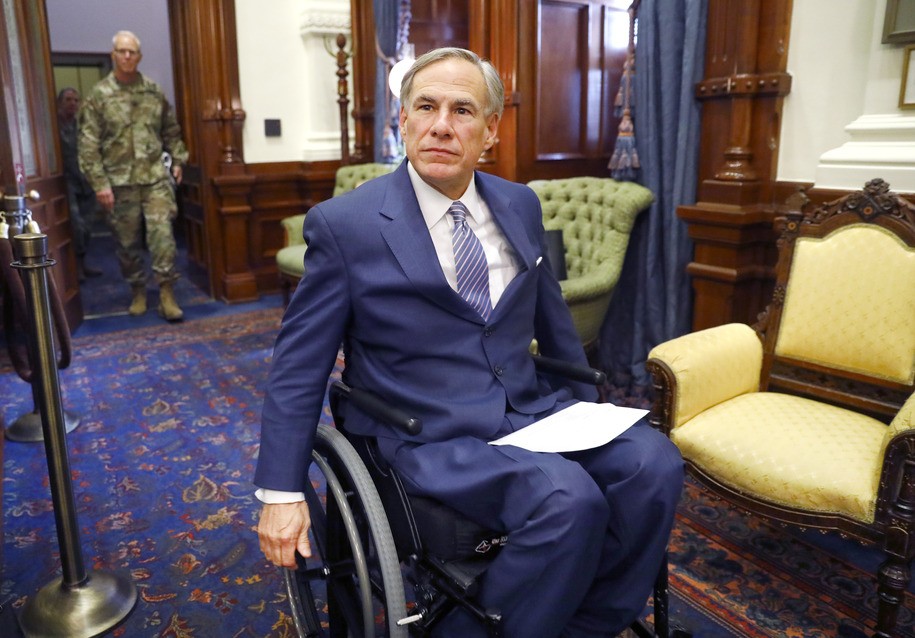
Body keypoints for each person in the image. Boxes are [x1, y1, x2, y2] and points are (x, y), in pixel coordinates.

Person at [255, 47, 684, 637]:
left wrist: (585, 409)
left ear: (490, 131)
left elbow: (553, 321)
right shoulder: (345, 224)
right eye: (425, 106)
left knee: (654, 463)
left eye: (462, 110)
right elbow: (298, 366)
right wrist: (281, 489)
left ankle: (587, 621)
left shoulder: (518, 203)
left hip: (529, 411)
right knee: (569, 501)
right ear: (403, 120)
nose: (441, 125)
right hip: (424, 432)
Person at [78, 30, 189, 321]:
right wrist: (100, 184)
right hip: (119, 183)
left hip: (154, 179)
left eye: (132, 52)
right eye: (122, 51)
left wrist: (178, 159)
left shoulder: (153, 91)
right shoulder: (99, 96)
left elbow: (171, 130)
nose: (127, 56)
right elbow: (88, 144)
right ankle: (138, 288)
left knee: (163, 236)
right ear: (113, 55)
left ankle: (167, 293)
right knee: (126, 244)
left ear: (139, 56)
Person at [57, 87, 101, 282]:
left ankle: (82, 264)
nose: (73, 103)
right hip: (67, 182)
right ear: (60, 102)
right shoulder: (53, 126)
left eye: (76, 99)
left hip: (87, 181)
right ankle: (74, 268)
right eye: (68, 99)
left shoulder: (83, 125)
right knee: (76, 225)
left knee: (87, 226)